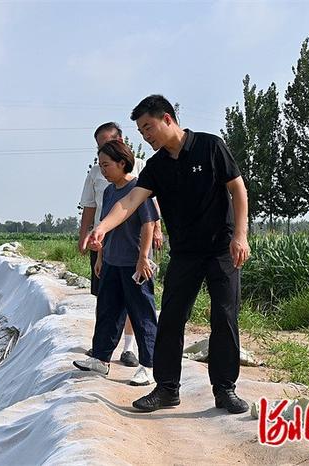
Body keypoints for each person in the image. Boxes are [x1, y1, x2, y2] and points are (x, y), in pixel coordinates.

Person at [83, 95, 251, 415]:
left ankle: (225, 389)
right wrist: (102, 227)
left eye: (148, 127)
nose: (146, 135)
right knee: (171, 318)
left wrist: (241, 236)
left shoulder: (210, 146)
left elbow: (238, 189)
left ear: (168, 119)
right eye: (141, 131)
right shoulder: (157, 166)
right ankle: (167, 389)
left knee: (224, 317)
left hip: (221, 249)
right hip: (185, 253)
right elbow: (129, 202)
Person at [74, 139, 159, 386]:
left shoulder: (139, 189)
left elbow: (149, 224)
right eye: (100, 165)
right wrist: (100, 256)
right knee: (107, 312)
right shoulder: (109, 191)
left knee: (142, 314)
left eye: (106, 165)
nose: (103, 170)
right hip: (111, 261)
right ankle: (101, 359)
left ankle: (148, 366)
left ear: (123, 163)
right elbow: (106, 225)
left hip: (134, 265)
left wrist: (143, 258)